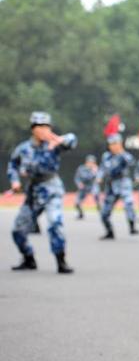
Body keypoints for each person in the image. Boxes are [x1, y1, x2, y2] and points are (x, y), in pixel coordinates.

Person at [8, 111, 76, 273]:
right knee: (18, 230)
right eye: (38, 126)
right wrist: (15, 180)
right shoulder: (23, 148)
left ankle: (61, 261)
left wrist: (60, 140)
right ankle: (28, 258)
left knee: (54, 224)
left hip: (52, 188)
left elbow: (72, 140)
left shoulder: (55, 144)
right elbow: (13, 165)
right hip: (33, 192)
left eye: (45, 126)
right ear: (33, 129)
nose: (42, 130)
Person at [98, 133, 139, 239]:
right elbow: (102, 168)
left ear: (120, 144)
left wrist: (122, 152)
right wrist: (99, 177)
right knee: (104, 212)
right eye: (111, 144)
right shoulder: (106, 156)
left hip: (123, 182)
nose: (113, 146)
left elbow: (131, 162)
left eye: (116, 143)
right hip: (111, 185)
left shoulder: (124, 155)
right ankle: (109, 232)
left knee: (128, 203)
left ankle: (132, 226)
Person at [74, 154, 100, 219]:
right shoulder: (81, 168)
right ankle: (81, 214)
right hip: (83, 186)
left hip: (92, 185)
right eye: (89, 162)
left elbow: (98, 178)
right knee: (77, 203)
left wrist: (96, 173)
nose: (91, 164)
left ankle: (99, 207)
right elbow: (77, 177)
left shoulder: (96, 169)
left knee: (96, 193)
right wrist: (79, 183)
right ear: (86, 162)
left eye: (92, 162)